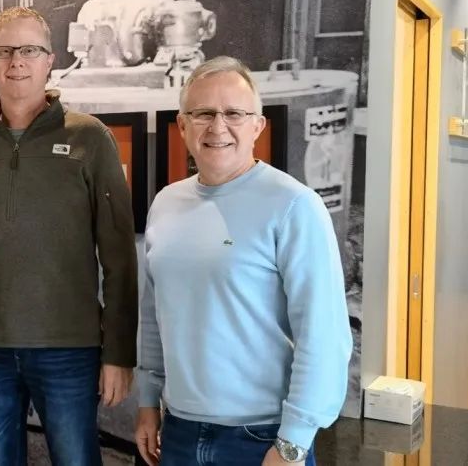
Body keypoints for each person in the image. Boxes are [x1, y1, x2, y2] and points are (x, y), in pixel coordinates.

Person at [133, 56, 352, 466]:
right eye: (203, 113)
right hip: (178, 431)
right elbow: (153, 316)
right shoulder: (166, 203)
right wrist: (147, 401)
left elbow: (323, 335)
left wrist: (293, 442)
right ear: (182, 125)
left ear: (257, 126)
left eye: (234, 113)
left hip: (263, 436)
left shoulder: (294, 206)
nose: (218, 127)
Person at [0, 7, 139, 466]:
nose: (17, 61)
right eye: (5, 51)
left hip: (68, 349)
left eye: (29, 50)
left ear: (50, 60)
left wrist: (119, 353)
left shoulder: (90, 138)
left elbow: (119, 258)